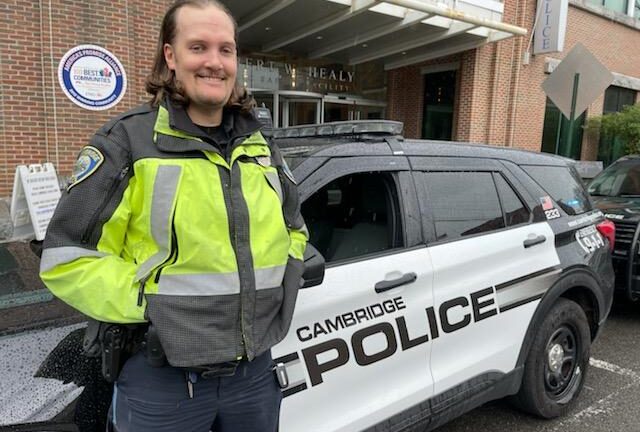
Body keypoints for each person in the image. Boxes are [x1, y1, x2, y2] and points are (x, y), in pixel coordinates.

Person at [39, 0, 308, 430]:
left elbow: (295, 229)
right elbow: (65, 257)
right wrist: (153, 307)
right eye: (198, 46)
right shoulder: (127, 143)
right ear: (170, 56)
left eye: (226, 49)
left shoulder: (260, 146)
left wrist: (286, 281)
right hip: (163, 383)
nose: (214, 62)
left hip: (254, 376)